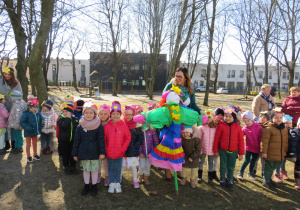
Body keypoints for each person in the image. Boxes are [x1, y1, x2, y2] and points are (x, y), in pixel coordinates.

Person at [72, 101, 105, 196]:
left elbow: (101, 140)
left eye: (91, 113)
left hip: (95, 152)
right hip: (83, 151)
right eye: (86, 113)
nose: (88, 115)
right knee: (86, 170)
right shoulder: (80, 126)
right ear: (83, 113)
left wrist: (102, 152)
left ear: (94, 114)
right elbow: (76, 141)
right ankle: (86, 186)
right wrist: (75, 153)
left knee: (94, 170)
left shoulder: (98, 126)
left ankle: (94, 186)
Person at [213, 106, 244, 189]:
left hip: (233, 151)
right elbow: (216, 139)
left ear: (234, 117)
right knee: (223, 166)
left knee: (231, 167)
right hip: (223, 150)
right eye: (226, 116)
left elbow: (241, 141)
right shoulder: (221, 126)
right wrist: (215, 150)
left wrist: (241, 153)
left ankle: (230, 179)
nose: (227, 118)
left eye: (230, 116)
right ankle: (222, 179)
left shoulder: (238, 127)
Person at [104, 101, 131, 193]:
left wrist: (123, 149)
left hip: (120, 153)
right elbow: (104, 139)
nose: (115, 116)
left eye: (117, 114)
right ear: (110, 115)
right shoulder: (107, 126)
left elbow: (128, 138)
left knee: (118, 168)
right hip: (109, 153)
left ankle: (118, 183)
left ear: (120, 115)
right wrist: (106, 149)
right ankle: (111, 183)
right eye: (113, 114)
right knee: (110, 168)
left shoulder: (124, 126)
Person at [261, 108, 288, 190]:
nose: (279, 119)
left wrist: (284, 151)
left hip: (279, 153)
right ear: (272, 118)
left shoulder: (284, 128)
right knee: (268, 167)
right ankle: (266, 180)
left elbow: (285, 141)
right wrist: (264, 152)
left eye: (280, 117)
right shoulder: (268, 128)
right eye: (276, 118)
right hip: (270, 152)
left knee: (274, 167)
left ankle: (269, 179)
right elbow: (264, 142)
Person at [0, 67, 23, 151]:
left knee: (14, 123)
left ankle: (14, 143)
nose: (7, 76)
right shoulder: (0, 82)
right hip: (3, 105)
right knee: (3, 124)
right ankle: (6, 142)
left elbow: (20, 94)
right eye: (5, 74)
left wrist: (17, 102)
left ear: (12, 75)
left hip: (14, 105)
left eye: (9, 74)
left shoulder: (16, 83)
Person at [121, 105, 144, 189]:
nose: (128, 116)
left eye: (130, 114)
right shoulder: (122, 124)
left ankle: (135, 180)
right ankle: (119, 178)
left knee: (134, 166)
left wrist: (136, 146)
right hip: (123, 149)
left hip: (133, 149)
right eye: (126, 115)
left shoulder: (136, 126)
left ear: (133, 114)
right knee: (122, 166)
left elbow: (140, 138)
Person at [237, 110, 262, 181]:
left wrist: (261, 147)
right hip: (248, 147)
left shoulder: (258, 127)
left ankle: (250, 173)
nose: (246, 123)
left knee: (253, 161)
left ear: (251, 120)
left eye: (248, 121)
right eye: (245, 121)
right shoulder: (245, 128)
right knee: (246, 160)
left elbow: (260, 137)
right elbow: (241, 136)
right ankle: (240, 173)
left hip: (256, 148)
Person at [57, 103, 79, 175]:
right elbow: (64, 126)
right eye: (64, 111)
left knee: (72, 154)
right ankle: (66, 166)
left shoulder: (75, 119)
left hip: (73, 141)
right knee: (65, 154)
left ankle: (73, 166)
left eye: (67, 111)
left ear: (71, 112)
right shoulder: (61, 119)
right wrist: (68, 118)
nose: (65, 113)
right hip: (64, 141)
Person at [198, 109, 219, 183]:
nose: (207, 119)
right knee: (201, 161)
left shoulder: (216, 128)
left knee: (211, 162)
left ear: (213, 118)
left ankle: (210, 178)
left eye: (209, 117)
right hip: (203, 148)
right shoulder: (201, 127)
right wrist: (199, 149)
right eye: (206, 117)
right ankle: (199, 176)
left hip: (212, 149)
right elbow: (199, 139)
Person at [20, 98, 42, 163]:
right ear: (29, 108)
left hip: (35, 131)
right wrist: (29, 128)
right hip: (28, 132)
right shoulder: (25, 114)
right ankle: (28, 156)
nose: (33, 109)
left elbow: (40, 121)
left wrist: (39, 128)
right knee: (28, 144)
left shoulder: (38, 113)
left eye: (35, 107)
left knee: (35, 143)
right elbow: (22, 122)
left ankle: (35, 155)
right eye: (31, 108)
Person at [273, 114, 293, 182]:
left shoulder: (293, 131)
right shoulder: (281, 130)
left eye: (290, 123)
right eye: (286, 123)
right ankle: (277, 173)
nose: (288, 125)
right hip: (280, 149)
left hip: (287, 149)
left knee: (283, 161)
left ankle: (283, 172)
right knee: (280, 161)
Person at [253, 112, 271, 176]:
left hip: (264, 146)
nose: (262, 118)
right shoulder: (256, 126)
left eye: (265, 117)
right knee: (255, 159)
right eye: (261, 117)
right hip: (256, 145)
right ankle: (253, 170)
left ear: (268, 120)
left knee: (264, 161)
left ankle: (264, 172)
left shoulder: (269, 127)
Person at [98, 104, 111, 186]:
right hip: (98, 147)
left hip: (107, 147)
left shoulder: (110, 124)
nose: (103, 116)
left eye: (105, 114)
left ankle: (107, 177)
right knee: (98, 163)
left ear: (108, 115)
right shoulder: (95, 123)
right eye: (101, 114)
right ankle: (98, 175)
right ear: (98, 115)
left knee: (106, 164)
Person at [289, 118, 300, 189]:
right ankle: (297, 182)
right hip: (298, 156)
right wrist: (293, 155)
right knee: (298, 169)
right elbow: (292, 145)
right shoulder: (296, 133)